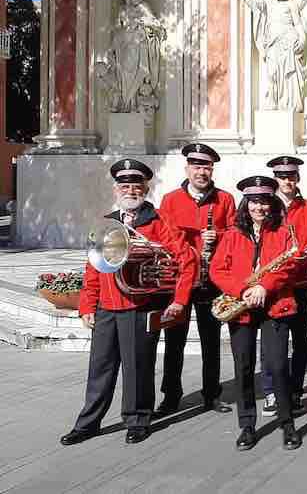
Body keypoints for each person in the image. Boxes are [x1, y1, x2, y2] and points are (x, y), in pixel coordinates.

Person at [61, 159, 196, 446]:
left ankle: (137, 420)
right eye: (125, 186)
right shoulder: (106, 222)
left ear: (146, 189)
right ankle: (88, 423)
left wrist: (180, 300)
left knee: (138, 368)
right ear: (116, 190)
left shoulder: (159, 221)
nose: (131, 191)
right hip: (106, 307)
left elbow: (188, 260)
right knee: (99, 368)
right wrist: (87, 306)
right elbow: (93, 267)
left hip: (139, 307)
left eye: (136, 186)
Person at [210, 175, 303, 451]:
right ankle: (247, 425)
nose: (259, 207)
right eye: (253, 202)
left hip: (275, 306)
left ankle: (287, 423)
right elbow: (217, 270)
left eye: (264, 202)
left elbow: (290, 266)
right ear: (245, 204)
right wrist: (243, 290)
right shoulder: (232, 234)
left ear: (272, 204)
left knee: (277, 366)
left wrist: (265, 286)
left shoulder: (283, 231)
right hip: (242, 307)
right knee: (244, 367)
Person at [155, 143, 236, 417]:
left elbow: (236, 235)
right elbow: (164, 237)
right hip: (179, 279)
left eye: (207, 167)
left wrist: (219, 236)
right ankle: (171, 396)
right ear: (187, 168)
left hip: (210, 280)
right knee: (174, 340)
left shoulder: (225, 199)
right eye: (197, 166)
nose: (202, 172)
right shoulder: (170, 200)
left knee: (211, 341)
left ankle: (212, 395)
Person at [260, 156, 307, 415]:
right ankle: (270, 391)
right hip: (273, 286)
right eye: (282, 177)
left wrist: (306, 255)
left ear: (298, 179)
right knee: (271, 342)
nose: (287, 181)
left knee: (299, 341)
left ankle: (295, 392)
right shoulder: (266, 208)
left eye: (291, 177)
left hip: (300, 282)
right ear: (275, 179)